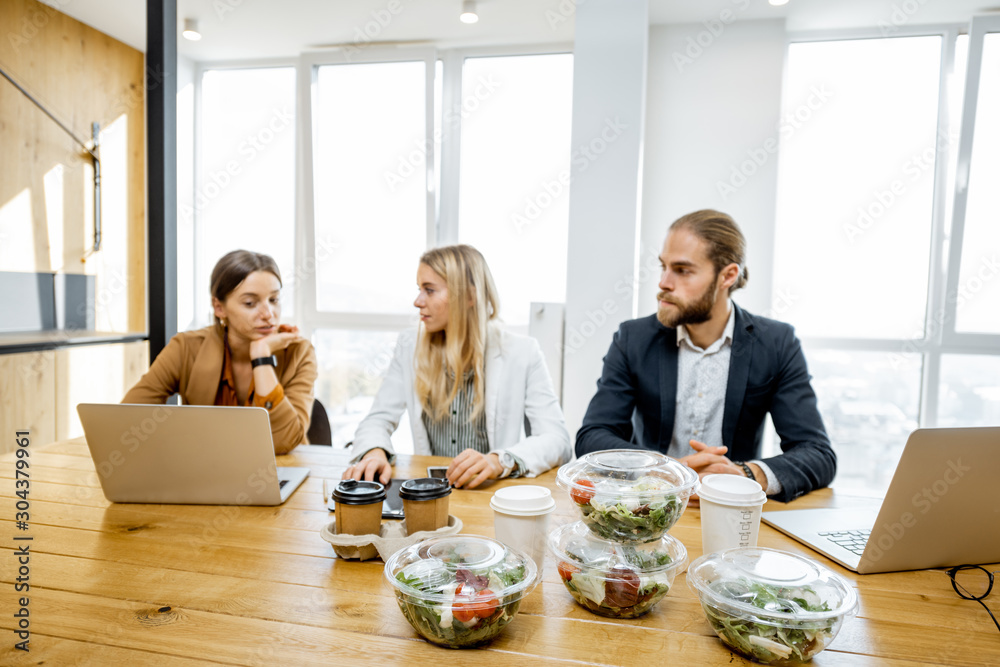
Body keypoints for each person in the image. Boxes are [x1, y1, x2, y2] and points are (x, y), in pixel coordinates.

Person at [575, 210, 835, 502]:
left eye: (682, 270)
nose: (663, 282)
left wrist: (745, 475)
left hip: (732, 510)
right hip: (645, 507)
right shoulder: (633, 338)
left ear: (728, 276)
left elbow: (818, 454)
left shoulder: (776, 343)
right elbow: (593, 437)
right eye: (663, 267)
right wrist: (668, 472)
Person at [342, 244, 571, 489]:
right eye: (419, 289)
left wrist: (498, 461)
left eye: (429, 290)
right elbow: (378, 419)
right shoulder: (409, 346)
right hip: (433, 494)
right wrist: (374, 451)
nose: (417, 301)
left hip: (487, 494)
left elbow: (557, 441)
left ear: (470, 297)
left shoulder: (523, 352)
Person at [123, 250, 317, 454]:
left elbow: (283, 441)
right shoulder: (186, 347)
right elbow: (127, 418)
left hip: (279, 472)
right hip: (207, 469)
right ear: (219, 307)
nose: (268, 314)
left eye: (274, 300)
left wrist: (262, 357)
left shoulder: (300, 352)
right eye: (250, 303)